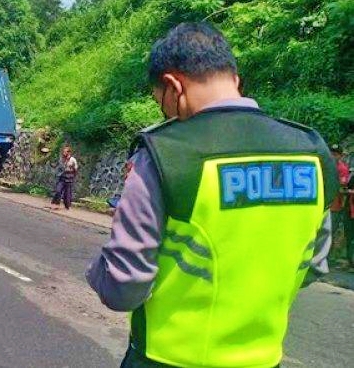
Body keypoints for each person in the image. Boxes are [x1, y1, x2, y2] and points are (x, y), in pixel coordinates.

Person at [85, 22, 338, 368]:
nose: (165, 112)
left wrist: (96, 272)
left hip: (166, 359)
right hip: (264, 360)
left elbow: (123, 288)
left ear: (174, 85)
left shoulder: (166, 155)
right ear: (234, 78)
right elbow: (315, 263)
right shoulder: (311, 152)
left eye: (160, 102)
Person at [330, 145, 350, 265]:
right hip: (324, 205)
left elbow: (343, 187)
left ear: (340, 155)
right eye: (331, 153)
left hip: (335, 206)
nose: (333, 156)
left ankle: (328, 258)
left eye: (336, 154)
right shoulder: (326, 165)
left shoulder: (342, 168)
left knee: (330, 232)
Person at [50, 145, 77, 210]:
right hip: (62, 178)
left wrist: (72, 175)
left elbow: (75, 169)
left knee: (67, 194)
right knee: (58, 190)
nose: (64, 153)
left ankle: (68, 206)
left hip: (69, 178)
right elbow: (57, 166)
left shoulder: (72, 160)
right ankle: (56, 203)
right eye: (63, 151)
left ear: (69, 152)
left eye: (65, 152)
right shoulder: (61, 159)